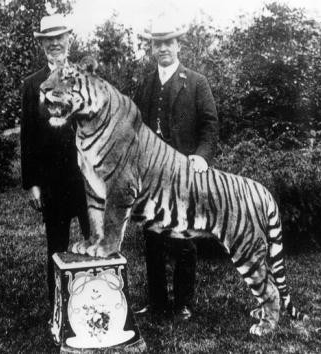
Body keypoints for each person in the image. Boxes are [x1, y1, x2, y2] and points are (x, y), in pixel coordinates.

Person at [132, 17, 219, 321]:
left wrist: (202, 157)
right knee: (152, 237)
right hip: (151, 177)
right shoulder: (144, 84)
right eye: (158, 43)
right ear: (152, 48)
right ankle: (156, 301)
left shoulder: (196, 82)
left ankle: (183, 302)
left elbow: (210, 126)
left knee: (183, 239)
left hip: (184, 174)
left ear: (179, 45)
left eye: (169, 42)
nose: (164, 48)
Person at [20, 14, 90, 308]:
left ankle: (99, 303)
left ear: (69, 41)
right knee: (57, 247)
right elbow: (28, 136)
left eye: (59, 38)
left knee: (96, 242)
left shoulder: (85, 77)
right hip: (52, 181)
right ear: (42, 44)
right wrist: (32, 183)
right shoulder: (32, 84)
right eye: (49, 40)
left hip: (88, 179)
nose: (55, 44)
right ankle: (59, 310)